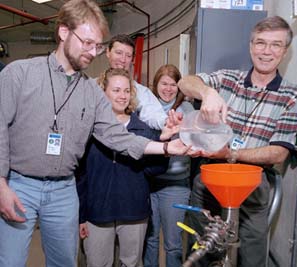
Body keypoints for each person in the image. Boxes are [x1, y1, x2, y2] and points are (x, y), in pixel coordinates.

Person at [0, 1, 191, 266]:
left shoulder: (91, 92)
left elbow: (118, 137)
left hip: (64, 189)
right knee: (9, 261)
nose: (93, 52)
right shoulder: (19, 74)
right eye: (87, 42)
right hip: (20, 184)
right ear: (64, 32)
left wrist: (167, 147)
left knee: (65, 261)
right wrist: (0, 183)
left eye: (97, 46)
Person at [178, 16, 297, 267]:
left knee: (252, 257)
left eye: (275, 45)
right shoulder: (228, 79)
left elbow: (278, 154)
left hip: (253, 185)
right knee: (201, 249)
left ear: (285, 51)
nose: (266, 51)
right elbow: (185, 82)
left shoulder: (291, 96)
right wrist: (208, 92)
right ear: (250, 46)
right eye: (260, 43)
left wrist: (228, 154)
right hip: (210, 180)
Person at [77, 68, 170, 267]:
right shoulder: (89, 129)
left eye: (127, 91)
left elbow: (155, 170)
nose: (122, 96)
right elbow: (81, 175)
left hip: (134, 212)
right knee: (97, 263)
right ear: (103, 92)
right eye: (116, 90)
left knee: (132, 263)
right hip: (97, 213)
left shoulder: (143, 129)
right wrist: (80, 216)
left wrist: (164, 146)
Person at [144, 64, 194, 267]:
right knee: (150, 239)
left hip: (175, 185)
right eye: (164, 83)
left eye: (173, 84)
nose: (168, 89)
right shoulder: (146, 107)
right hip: (148, 183)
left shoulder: (187, 109)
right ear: (155, 85)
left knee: (173, 244)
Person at [105, 34, 167, 130]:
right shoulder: (92, 86)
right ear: (108, 52)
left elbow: (154, 114)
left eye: (128, 55)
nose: (123, 59)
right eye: (118, 53)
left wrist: (167, 122)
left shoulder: (141, 92)